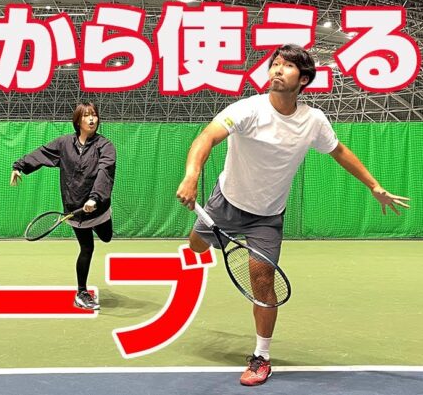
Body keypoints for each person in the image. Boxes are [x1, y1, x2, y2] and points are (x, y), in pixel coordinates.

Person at [175, 44, 410, 386]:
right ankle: (212, 237)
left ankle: (261, 357)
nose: (277, 69)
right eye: (275, 63)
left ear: (303, 79)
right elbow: (207, 137)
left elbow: (339, 151)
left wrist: (374, 185)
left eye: (286, 66)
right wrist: (192, 175)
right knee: (196, 246)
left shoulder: (313, 121)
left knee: (263, 282)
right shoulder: (248, 109)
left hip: (267, 216)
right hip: (226, 201)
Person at [10, 102, 116, 311]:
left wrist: (95, 198)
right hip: (74, 208)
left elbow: (106, 171)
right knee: (87, 248)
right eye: (86, 115)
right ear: (78, 120)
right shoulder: (64, 143)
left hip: (99, 208)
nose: (91, 119)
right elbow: (42, 153)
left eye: (94, 115)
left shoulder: (105, 146)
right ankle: (81, 293)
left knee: (106, 237)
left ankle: (101, 222)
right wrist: (19, 166)